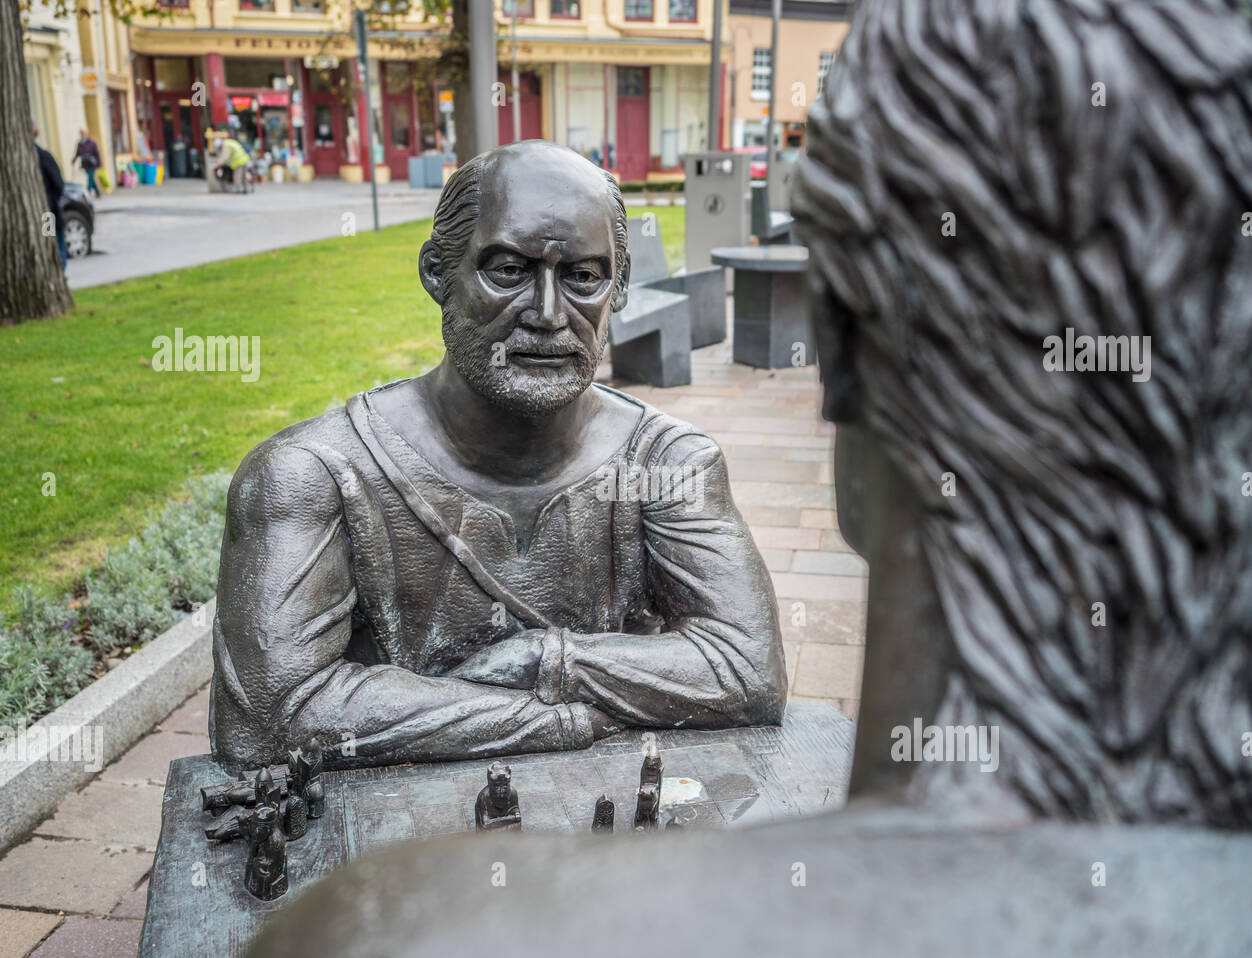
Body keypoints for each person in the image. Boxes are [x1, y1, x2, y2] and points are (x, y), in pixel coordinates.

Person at [210, 141, 786, 771]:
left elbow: (747, 668)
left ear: (616, 291)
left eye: (583, 277)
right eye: (508, 270)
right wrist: (550, 719)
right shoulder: (308, 476)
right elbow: (272, 716)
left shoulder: (669, 463)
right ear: (437, 273)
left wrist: (550, 660)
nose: (547, 314)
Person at [34, 125, 66, 270]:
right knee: (55, 245)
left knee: (51, 244)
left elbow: (58, 185)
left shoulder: (40, 157)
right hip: (46, 211)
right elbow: (58, 184)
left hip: (46, 212)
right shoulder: (43, 156)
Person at [72, 128, 100, 197]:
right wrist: (74, 160)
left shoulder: (92, 142)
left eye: (83, 133)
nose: (82, 135)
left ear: (86, 134)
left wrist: (99, 163)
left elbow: (97, 153)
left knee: (90, 179)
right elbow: (77, 153)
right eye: (81, 133)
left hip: (92, 163)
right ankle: (98, 192)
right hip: (85, 163)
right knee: (91, 179)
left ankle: (88, 193)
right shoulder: (80, 143)